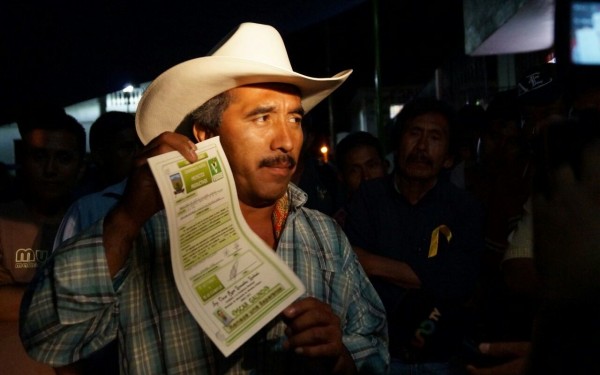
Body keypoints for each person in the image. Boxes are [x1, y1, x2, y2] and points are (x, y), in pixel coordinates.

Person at [20, 22, 389, 374]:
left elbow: (373, 347)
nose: (286, 140)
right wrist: (127, 220)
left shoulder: (324, 236)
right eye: (262, 118)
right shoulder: (143, 235)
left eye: (294, 119)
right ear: (205, 133)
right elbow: (48, 335)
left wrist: (340, 360)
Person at [343, 97, 485, 375]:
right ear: (397, 144)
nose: (421, 147)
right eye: (414, 133)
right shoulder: (368, 199)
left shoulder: (464, 208)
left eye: (434, 137)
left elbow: (461, 280)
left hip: (444, 357)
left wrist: (373, 263)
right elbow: (350, 265)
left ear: (449, 158)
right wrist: (433, 276)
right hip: (377, 355)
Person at [0, 105, 86, 375]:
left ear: (81, 167)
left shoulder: (94, 223)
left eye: (63, 158)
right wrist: (83, 294)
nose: (50, 169)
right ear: (22, 161)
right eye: (39, 156)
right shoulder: (3, 221)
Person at [332, 131, 388, 227]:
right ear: (341, 177)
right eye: (354, 171)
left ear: (385, 166)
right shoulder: (337, 226)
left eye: (372, 166)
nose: (365, 177)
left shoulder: (405, 210)